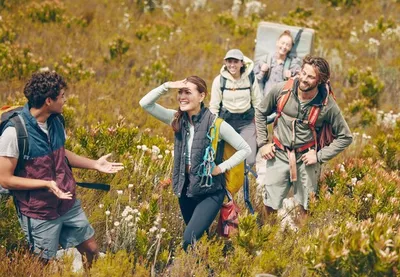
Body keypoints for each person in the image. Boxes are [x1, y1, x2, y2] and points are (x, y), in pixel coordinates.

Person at [0, 71, 124, 267]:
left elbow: (60, 153)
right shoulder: (14, 132)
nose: (65, 100)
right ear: (49, 100)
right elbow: (5, 179)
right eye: (62, 96)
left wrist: (94, 164)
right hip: (39, 211)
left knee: (91, 250)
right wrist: (45, 183)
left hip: (67, 203)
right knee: (42, 263)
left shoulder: (56, 121)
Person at [139, 76, 251, 250]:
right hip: (185, 189)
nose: (182, 96)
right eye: (180, 92)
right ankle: (206, 269)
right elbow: (145, 104)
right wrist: (167, 85)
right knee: (199, 240)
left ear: (201, 96)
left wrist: (221, 168)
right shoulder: (176, 119)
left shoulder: (216, 124)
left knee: (188, 239)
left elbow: (245, 149)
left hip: (210, 191)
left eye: (188, 92)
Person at [255, 55, 353, 224]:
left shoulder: (327, 105)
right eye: (303, 73)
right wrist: (263, 144)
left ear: (320, 80)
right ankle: (268, 241)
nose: (304, 79)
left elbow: (346, 136)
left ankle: (300, 245)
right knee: (270, 204)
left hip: (307, 159)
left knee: (306, 207)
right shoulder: (281, 90)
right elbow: (260, 112)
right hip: (278, 154)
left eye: (310, 77)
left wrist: (319, 156)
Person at [209, 49, 261, 168]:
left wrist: (259, 124)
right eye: (229, 61)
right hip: (227, 122)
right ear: (225, 63)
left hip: (246, 122)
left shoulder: (251, 78)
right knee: (225, 157)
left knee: (250, 158)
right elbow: (214, 106)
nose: (232, 65)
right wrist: (214, 126)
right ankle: (227, 184)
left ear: (242, 63)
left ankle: (244, 181)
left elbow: (257, 102)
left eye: (235, 62)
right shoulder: (219, 81)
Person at [254, 30, 302, 97]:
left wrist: (291, 78)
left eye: (287, 45)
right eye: (282, 43)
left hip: (282, 100)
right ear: (277, 42)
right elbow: (254, 79)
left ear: (290, 48)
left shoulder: (292, 64)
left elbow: (301, 78)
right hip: (265, 98)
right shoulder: (266, 60)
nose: (284, 47)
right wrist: (262, 71)